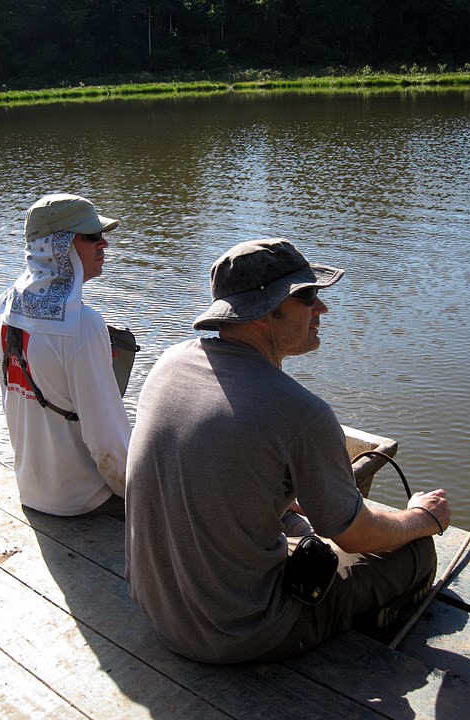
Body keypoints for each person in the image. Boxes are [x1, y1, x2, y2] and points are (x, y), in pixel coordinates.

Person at [125, 238, 451, 664]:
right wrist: (421, 517)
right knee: (415, 551)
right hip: (238, 633)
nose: (322, 310)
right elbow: (356, 534)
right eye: (308, 296)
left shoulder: (169, 363)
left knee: (301, 523)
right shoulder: (302, 413)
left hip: (158, 611)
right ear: (265, 313)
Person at [0, 193, 131, 516]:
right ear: (60, 246)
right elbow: (107, 442)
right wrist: (140, 494)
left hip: (31, 490)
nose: (104, 245)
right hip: (82, 499)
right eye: (92, 236)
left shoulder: (6, 309)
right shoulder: (82, 325)